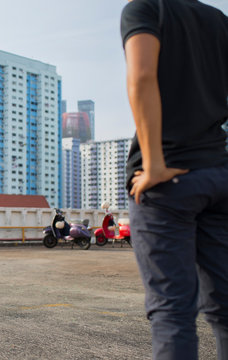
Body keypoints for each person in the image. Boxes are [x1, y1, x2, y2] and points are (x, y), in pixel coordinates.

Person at [121, 0, 228, 358]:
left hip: (168, 182)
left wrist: (154, 164)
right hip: (218, 174)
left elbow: (142, 76)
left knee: (173, 312)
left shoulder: (145, 10)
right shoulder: (217, 19)